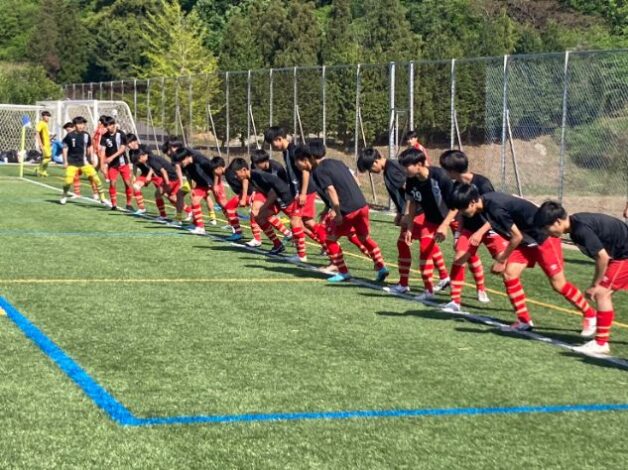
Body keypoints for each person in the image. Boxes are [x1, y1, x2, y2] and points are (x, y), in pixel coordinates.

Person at [450, 184, 597, 333]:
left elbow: (516, 236)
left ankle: (591, 316)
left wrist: (501, 260)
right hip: (527, 240)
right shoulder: (486, 202)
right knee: (510, 274)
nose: (461, 212)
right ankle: (524, 320)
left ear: (472, 202)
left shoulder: (494, 208)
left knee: (558, 284)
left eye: (463, 209)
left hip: (544, 238)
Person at [535, 201, 627, 355]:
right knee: (603, 292)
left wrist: (595, 284)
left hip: (624, 255)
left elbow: (602, 257)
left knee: (601, 293)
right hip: (621, 254)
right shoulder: (576, 224)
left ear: (558, 221)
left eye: (547, 228)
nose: (547, 233)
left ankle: (600, 343)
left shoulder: (579, 230)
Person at [357, 147, 450, 294]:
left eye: (369, 168)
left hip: (417, 212)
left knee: (406, 244)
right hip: (415, 212)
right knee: (425, 243)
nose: (371, 172)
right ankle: (443, 276)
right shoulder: (390, 168)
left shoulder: (392, 169)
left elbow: (410, 192)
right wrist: (401, 213)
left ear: (375, 162)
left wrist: (406, 215)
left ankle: (405, 284)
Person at [294, 149, 389, 283]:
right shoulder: (336, 162)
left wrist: (337, 212)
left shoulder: (318, 171)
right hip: (362, 205)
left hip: (347, 209)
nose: (296, 165)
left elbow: (331, 190)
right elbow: (354, 180)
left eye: (296, 162)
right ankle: (381, 267)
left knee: (330, 239)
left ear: (305, 160)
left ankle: (343, 272)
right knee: (364, 238)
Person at [437, 150, 505, 311]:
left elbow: (495, 212)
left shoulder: (482, 183)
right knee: (459, 257)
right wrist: (458, 234)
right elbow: (458, 210)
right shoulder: (456, 186)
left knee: (506, 267)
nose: (445, 173)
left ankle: (484, 290)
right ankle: (455, 301)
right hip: (469, 228)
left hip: (489, 227)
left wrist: (480, 232)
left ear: (453, 170)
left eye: (446, 169)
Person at [399, 148, 455, 301]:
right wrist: (409, 228)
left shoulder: (440, 177)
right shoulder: (411, 179)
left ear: (419, 164)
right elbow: (411, 204)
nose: (404, 169)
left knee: (465, 253)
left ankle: (461, 297)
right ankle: (429, 291)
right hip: (430, 220)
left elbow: (456, 205)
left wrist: (445, 225)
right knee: (425, 250)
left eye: (406, 166)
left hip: (455, 217)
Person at [130, 145, 191, 222]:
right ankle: (189, 211)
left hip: (171, 179)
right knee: (172, 197)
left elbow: (163, 171)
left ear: (142, 156)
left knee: (158, 194)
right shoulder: (150, 159)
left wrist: (167, 183)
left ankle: (164, 215)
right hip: (173, 178)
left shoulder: (151, 160)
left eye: (138, 160)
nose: (138, 162)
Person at [60, 116, 106, 206]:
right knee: (68, 181)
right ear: (75, 125)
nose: (81, 126)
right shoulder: (70, 135)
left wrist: (92, 157)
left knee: (96, 179)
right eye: (79, 124)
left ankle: (102, 197)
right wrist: (65, 161)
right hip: (72, 163)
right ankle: (64, 195)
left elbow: (89, 146)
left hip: (84, 162)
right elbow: (65, 148)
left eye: (82, 124)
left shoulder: (86, 135)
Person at [172, 147, 218, 235]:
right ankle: (199, 226)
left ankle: (235, 227)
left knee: (223, 205)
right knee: (194, 199)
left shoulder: (200, 159)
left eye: (181, 161)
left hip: (211, 183)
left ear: (186, 157)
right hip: (201, 184)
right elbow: (189, 177)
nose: (180, 164)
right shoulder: (185, 166)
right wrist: (191, 188)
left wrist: (214, 184)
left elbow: (214, 169)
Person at [100, 116, 133, 211]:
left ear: (113, 124)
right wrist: (102, 165)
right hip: (112, 165)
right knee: (112, 183)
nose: (108, 127)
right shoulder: (104, 137)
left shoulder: (121, 134)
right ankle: (114, 204)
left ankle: (129, 204)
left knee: (127, 183)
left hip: (123, 163)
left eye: (109, 125)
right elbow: (102, 151)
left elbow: (123, 148)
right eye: (106, 125)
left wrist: (111, 157)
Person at [35, 111, 52, 177]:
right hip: (44, 144)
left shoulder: (45, 124)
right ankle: (38, 168)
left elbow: (44, 134)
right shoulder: (41, 123)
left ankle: (43, 171)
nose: (47, 117)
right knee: (48, 158)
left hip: (47, 144)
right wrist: (40, 144)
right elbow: (37, 133)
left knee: (47, 158)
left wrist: (50, 138)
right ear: (43, 116)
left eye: (48, 116)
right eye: (46, 116)